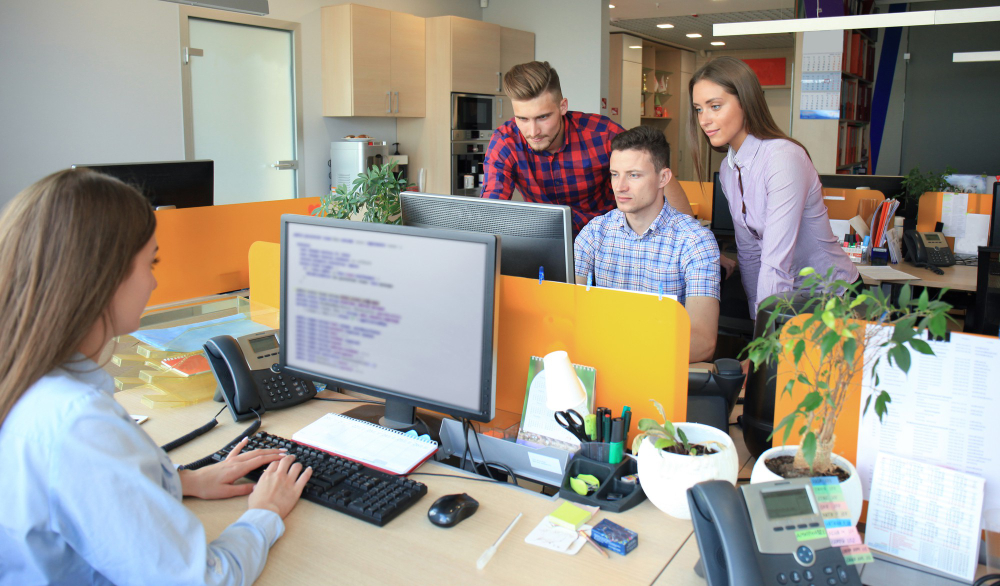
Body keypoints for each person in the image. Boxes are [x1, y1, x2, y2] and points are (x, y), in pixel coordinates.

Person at [0, 169, 312, 585]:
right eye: (150, 262)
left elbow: (82, 494)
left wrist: (184, 480)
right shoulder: (79, 423)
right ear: (102, 277)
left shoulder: (30, 381)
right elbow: (202, 580)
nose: (154, 280)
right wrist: (265, 512)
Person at [689, 56, 859, 317]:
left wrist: (766, 338)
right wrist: (760, 326)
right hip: (789, 299)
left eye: (715, 106)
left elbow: (775, 261)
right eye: (699, 109)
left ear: (746, 102)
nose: (704, 119)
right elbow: (749, 253)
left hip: (832, 298)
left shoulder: (783, 158)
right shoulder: (728, 168)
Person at [481, 60, 694, 235]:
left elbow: (660, 178)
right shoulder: (506, 141)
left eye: (543, 117)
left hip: (610, 239)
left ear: (563, 106)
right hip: (549, 240)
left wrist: (692, 240)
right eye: (523, 118)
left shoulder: (601, 134)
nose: (533, 131)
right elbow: (491, 207)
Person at [574, 126, 720, 363]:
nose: (620, 186)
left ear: (663, 178)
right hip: (600, 366)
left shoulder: (695, 241)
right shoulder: (594, 232)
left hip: (657, 372)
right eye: (614, 174)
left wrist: (623, 351)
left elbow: (703, 343)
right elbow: (567, 313)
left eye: (634, 175)